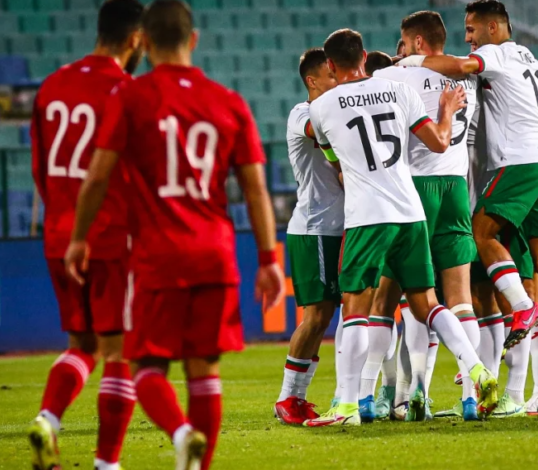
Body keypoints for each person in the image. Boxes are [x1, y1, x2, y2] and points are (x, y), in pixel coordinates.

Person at [65, 1, 285, 468]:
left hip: (158, 254)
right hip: (216, 254)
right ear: (194, 40)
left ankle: (182, 433)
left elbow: (97, 177)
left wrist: (79, 238)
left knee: (145, 367)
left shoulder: (131, 97)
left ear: (143, 42)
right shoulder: (229, 102)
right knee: (204, 370)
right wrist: (268, 259)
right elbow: (255, 190)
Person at [303, 28, 497, 427]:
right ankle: (477, 369)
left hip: (367, 216)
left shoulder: (321, 108)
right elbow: (439, 142)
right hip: (410, 211)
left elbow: (336, 164)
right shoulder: (399, 90)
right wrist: (446, 109)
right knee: (427, 303)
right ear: (363, 57)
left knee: (357, 310)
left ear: (330, 65)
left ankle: (348, 405)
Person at [398, 0, 538, 393]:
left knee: (481, 233)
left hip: (517, 165)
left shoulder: (496, 55)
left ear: (494, 28)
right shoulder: (529, 65)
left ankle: (523, 310)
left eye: (472, 29)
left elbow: (462, 66)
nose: (468, 38)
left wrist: (410, 63)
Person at [27, 1, 144, 469]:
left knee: (82, 346)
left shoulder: (53, 84)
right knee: (119, 353)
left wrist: (62, 217)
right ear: (135, 39)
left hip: (60, 234)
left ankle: (47, 421)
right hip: (111, 236)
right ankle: (106, 464)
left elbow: (39, 169)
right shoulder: (126, 90)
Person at [360, 10, 483, 422]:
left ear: (415, 42)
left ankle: (402, 394)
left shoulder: (398, 77)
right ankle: (470, 397)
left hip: (414, 189)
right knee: (460, 299)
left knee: (399, 295)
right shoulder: (465, 81)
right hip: (456, 189)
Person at [274, 48, 342, 425]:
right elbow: (321, 131)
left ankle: (298, 398)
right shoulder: (302, 113)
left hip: (338, 226)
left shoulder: (336, 109)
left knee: (327, 315)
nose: (338, 80)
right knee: (315, 316)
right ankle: (288, 398)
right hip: (314, 227)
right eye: (331, 76)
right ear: (312, 81)